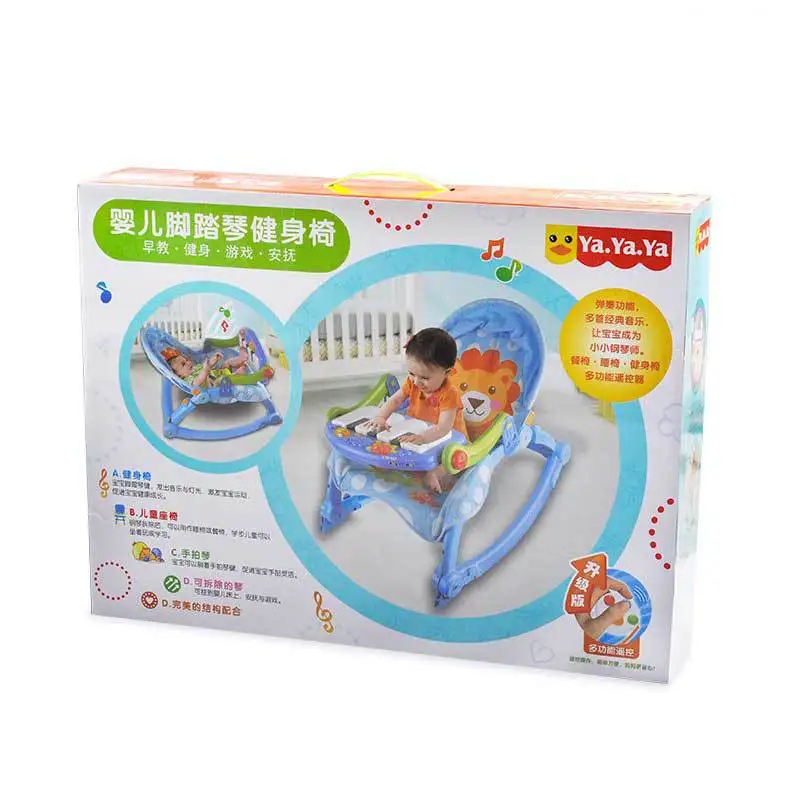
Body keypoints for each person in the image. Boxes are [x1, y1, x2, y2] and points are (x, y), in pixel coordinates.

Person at [364, 328, 467, 493]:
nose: (417, 381)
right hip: (418, 429)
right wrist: (381, 417)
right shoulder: (412, 383)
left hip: (447, 439)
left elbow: (444, 428)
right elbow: (395, 400)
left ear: (447, 372)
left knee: (451, 459)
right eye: (412, 373)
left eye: (425, 378)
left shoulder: (449, 394)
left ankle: (435, 474)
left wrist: (424, 438)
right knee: (395, 444)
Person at [162, 329, 250, 388]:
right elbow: (198, 381)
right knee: (222, 380)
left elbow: (209, 365)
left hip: (219, 373)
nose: (188, 363)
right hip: (216, 384)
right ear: (178, 375)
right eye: (183, 364)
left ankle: (241, 359)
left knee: (228, 362)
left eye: (187, 360)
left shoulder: (195, 368)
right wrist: (205, 370)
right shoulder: (187, 380)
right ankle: (237, 374)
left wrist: (214, 359)